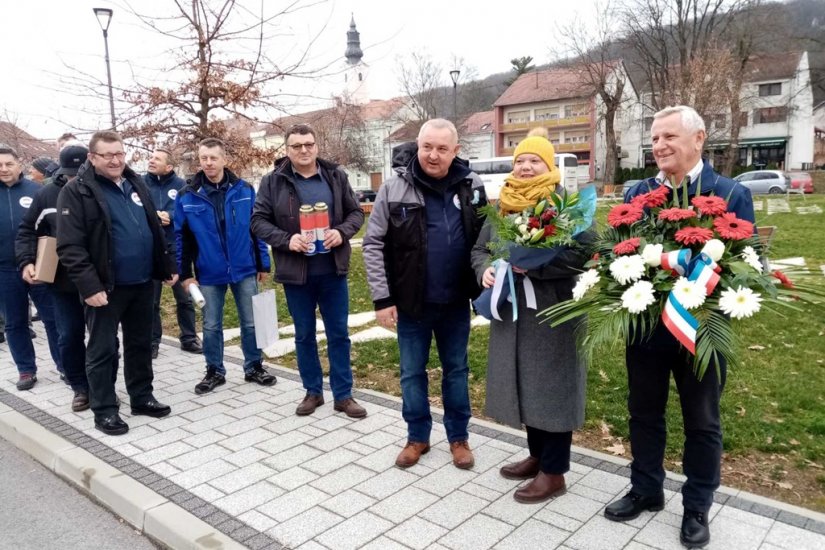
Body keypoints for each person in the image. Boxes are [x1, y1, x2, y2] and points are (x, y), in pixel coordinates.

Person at [604, 106, 755, 549]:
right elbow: (621, 252)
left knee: (702, 421)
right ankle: (646, 489)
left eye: (669, 136)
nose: (660, 146)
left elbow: (747, 262)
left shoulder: (728, 193)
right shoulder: (639, 191)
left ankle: (696, 505)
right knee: (643, 413)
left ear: (699, 138)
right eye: (654, 139)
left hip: (702, 330)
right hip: (648, 328)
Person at [471, 128, 591, 503]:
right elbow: (480, 248)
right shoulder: (503, 204)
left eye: (534, 161)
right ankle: (537, 455)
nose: (525, 167)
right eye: (520, 160)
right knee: (526, 384)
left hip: (554, 315)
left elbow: (584, 254)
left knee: (553, 389)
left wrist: (533, 267)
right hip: (513, 314)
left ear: (549, 166)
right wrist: (486, 270)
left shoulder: (566, 205)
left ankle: (554, 472)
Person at [363, 119, 487, 469]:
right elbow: (372, 244)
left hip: (455, 302)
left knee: (457, 371)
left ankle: (459, 437)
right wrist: (382, 299)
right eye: (427, 147)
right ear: (418, 146)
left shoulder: (471, 186)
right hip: (410, 304)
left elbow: (485, 241)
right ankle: (417, 437)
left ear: (455, 151)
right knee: (411, 373)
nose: (433, 155)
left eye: (442, 148)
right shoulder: (393, 188)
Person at [56, 131, 177, 436]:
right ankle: (105, 409)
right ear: (92, 158)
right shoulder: (77, 191)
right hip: (105, 288)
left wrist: (167, 265)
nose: (115, 160)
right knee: (103, 349)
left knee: (140, 344)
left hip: (142, 282)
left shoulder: (135, 183)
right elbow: (70, 246)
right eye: (107, 155)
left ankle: (141, 397)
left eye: (119, 154)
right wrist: (89, 287)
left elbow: (154, 228)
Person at [251, 124, 366, 418]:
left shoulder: (335, 176)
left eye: (308, 144)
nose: (304, 150)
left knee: (339, 334)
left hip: (332, 270)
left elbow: (356, 212)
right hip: (296, 273)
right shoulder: (273, 182)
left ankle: (343, 395)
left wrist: (341, 232)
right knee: (304, 335)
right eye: (296, 146)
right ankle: (313, 392)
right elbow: (258, 222)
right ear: (287, 150)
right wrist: (287, 240)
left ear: (316, 146)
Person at [175, 138, 275, 394]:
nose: (208, 163)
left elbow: (256, 229)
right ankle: (214, 370)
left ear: (223, 159)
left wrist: (263, 262)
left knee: (251, 322)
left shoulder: (244, 190)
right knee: (210, 325)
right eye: (204, 158)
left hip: (244, 269)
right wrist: (186, 274)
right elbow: (181, 237)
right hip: (208, 273)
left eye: (213, 158)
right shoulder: (187, 196)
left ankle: (254, 366)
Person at [16, 144, 92, 411]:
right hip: (63, 282)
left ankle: (102, 385)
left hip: (99, 279)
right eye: (69, 173)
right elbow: (27, 230)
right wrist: (27, 261)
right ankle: (80, 387)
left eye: (79, 172)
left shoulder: (102, 190)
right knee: (69, 335)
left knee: (102, 337)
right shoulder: (47, 195)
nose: (74, 178)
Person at [0, 147, 63, 390]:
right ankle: (26, 369)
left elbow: (53, 227)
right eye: (0, 165)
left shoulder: (38, 192)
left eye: (8, 164)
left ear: (19, 165)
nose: (4, 169)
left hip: (41, 267)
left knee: (53, 319)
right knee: (15, 323)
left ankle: (65, 366)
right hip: (5, 270)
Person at [144, 148, 202, 358]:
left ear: (169, 166)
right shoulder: (140, 184)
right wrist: (153, 217)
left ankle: (188, 338)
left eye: (156, 159)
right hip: (150, 250)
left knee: (184, 299)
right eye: (151, 157)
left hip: (176, 249)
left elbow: (189, 212)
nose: (151, 160)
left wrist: (170, 216)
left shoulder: (181, 186)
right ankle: (152, 342)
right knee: (151, 301)